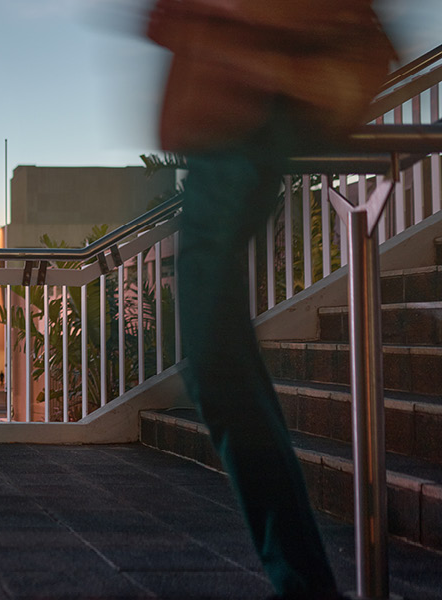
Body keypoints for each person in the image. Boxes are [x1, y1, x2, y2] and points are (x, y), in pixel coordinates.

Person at [147, 1, 394, 598]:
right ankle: (304, 580)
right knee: (212, 362)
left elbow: (368, 51)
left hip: (250, 127)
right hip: (223, 136)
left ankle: (304, 581)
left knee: (215, 359)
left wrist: (252, 49)